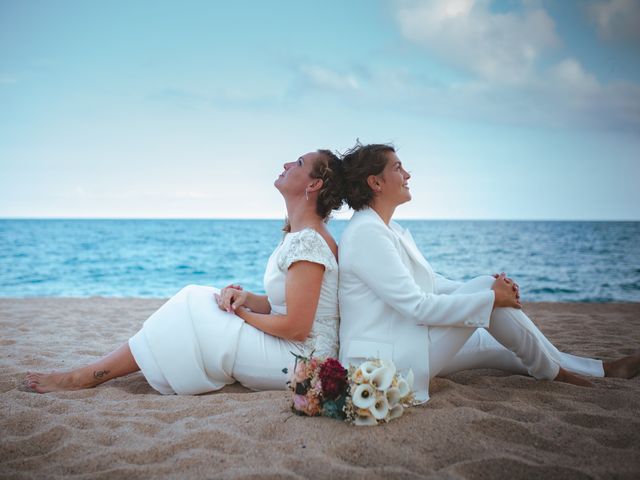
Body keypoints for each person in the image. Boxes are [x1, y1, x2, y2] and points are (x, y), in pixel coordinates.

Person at [337, 142, 640, 404]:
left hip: (404, 342)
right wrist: (489, 296)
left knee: (503, 347)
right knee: (487, 293)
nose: (408, 175)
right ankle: (556, 373)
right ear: (375, 183)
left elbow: (430, 284)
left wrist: (491, 291)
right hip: (385, 360)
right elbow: (417, 306)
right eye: (398, 168)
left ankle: (602, 369)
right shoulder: (367, 233)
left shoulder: (388, 229)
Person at [26, 149, 344, 394]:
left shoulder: (309, 243)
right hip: (293, 347)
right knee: (201, 299)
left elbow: (296, 327)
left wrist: (240, 314)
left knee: (192, 304)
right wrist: (245, 298)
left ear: (314, 184)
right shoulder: (300, 237)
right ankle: (99, 371)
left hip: (300, 360)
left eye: (299, 164)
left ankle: (87, 376)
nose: (288, 164)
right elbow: (284, 305)